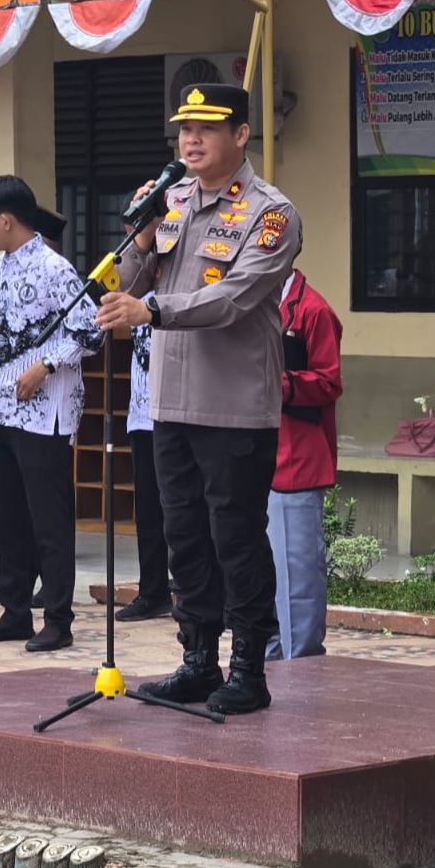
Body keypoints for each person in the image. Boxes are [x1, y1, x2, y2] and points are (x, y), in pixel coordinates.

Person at [97, 83, 300, 715]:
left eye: (207, 128)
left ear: (241, 135)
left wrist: (149, 309)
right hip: (169, 403)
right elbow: (129, 282)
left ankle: (248, 670)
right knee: (184, 535)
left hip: (234, 405)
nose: (191, 139)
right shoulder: (173, 201)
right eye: (184, 128)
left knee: (234, 537)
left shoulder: (270, 212)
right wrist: (139, 235)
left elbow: (234, 297)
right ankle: (197, 659)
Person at [0, 177, 100, 653]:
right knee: (6, 516)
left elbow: (90, 330)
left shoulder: (53, 268)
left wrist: (44, 366)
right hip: (0, 405)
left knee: (48, 519)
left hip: (44, 414)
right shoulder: (2, 267)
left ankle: (58, 620)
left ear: (6, 219)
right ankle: (15, 611)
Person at [267, 247, 342, 660]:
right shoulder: (249, 303)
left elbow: (330, 381)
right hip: (253, 456)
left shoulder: (313, 310)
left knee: (296, 576)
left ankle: (303, 663)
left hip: (297, 458)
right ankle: (265, 658)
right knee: (259, 574)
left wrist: (282, 384)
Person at [118, 292, 171, 621]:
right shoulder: (135, 285)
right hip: (140, 415)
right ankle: (153, 592)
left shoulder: (178, 284)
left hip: (176, 414)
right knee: (149, 510)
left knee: (188, 511)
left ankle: (208, 594)